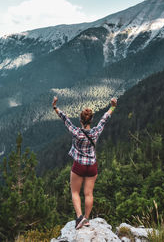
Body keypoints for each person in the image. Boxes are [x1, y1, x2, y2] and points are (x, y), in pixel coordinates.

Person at [52, 96, 117, 229]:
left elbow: (65, 120)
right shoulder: (96, 132)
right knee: (89, 193)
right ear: (91, 120)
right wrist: (112, 106)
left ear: (81, 120)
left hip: (79, 166)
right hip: (92, 166)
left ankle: (79, 217)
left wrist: (55, 107)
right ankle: (86, 219)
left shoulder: (76, 132)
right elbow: (105, 118)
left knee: (75, 192)